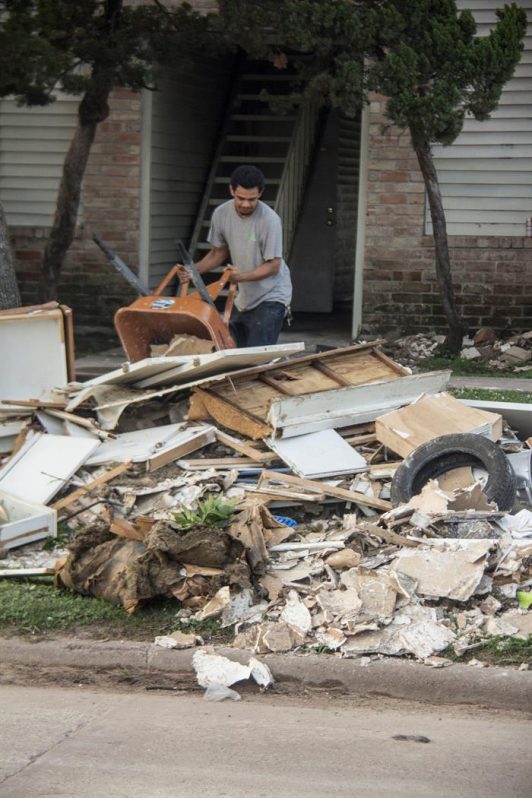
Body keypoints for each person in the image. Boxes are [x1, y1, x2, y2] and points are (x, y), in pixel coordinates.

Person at [185, 165, 292, 348]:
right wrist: (193, 271)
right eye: (241, 198)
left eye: (252, 199)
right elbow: (219, 253)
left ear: (261, 193)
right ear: (231, 190)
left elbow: (273, 265)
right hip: (245, 298)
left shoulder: (270, 220)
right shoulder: (221, 214)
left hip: (272, 295)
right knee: (233, 350)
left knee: (257, 356)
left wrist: (240, 277)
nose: (246, 204)